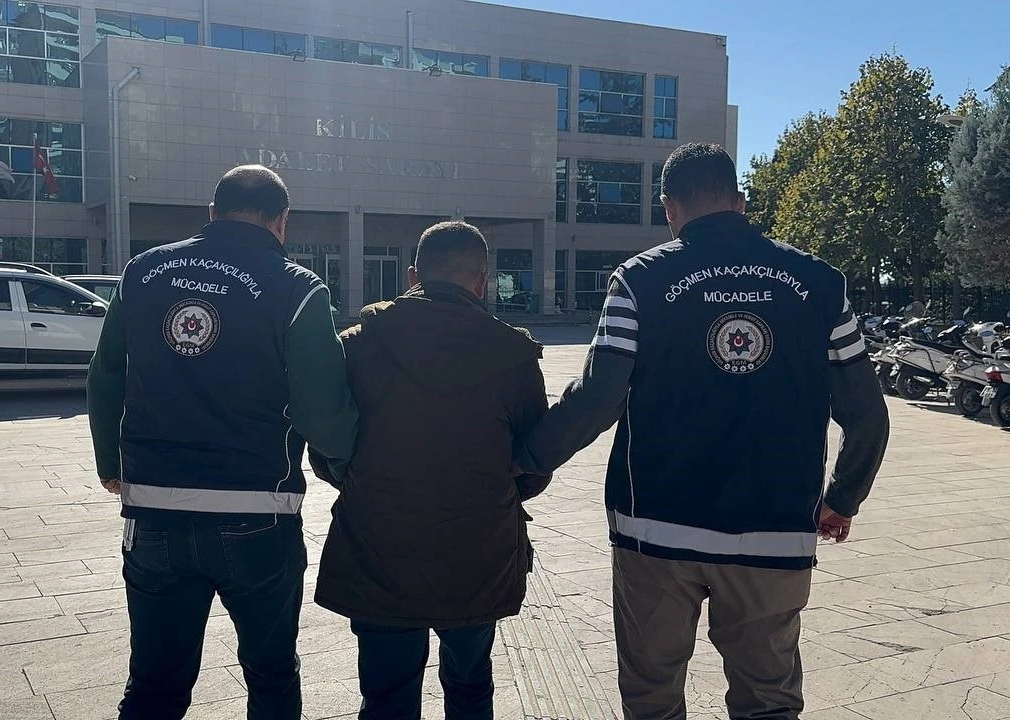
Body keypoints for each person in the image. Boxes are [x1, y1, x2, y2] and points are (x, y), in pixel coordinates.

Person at [515, 143, 890, 720]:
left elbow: (596, 398)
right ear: (740, 201)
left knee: (652, 695)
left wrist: (525, 461)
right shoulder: (821, 284)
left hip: (655, 529)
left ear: (668, 207)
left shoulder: (639, 281)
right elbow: (867, 413)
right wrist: (843, 499)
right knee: (768, 700)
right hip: (774, 531)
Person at [87, 165, 359, 720]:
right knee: (271, 675)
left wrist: (110, 462)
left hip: (155, 509)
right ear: (282, 221)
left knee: (154, 686)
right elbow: (321, 409)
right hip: (257, 512)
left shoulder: (142, 272)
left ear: (211, 213)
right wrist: (347, 462)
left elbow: (106, 372)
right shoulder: (298, 288)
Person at [308, 221, 551, 720]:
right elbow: (534, 465)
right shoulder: (513, 353)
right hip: (478, 551)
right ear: (482, 281)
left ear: (413, 275)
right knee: (470, 684)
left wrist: (359, 479)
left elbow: (326, 449)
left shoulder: (357, 345)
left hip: (379, 547)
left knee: (387, 694)